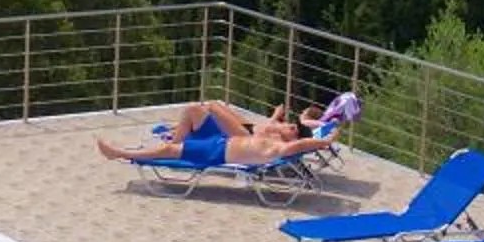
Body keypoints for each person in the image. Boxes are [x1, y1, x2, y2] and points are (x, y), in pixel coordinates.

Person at [95, 98, 341, 165]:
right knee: (194, 109)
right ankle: (175, 142)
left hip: (217, 152)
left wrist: (324, 141)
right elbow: (302, 134)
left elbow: (301, 145)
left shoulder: (280, 148)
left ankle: (119, 153)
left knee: (169, 150)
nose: (289, 128)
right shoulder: (275, 139)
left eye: (293, 130)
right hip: (221, 141)